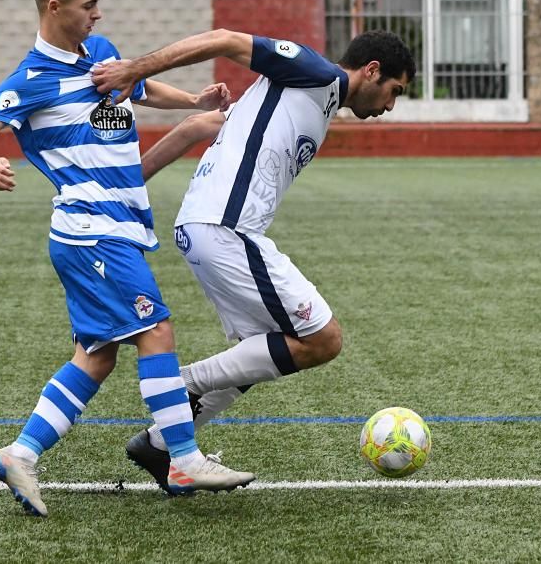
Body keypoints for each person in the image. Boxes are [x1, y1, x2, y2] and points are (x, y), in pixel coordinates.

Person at [0, 0, 254, 517]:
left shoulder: (101, 53)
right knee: (156, 329)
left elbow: (141, 90)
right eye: (88, 5)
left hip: (113, 231)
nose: (98, 13)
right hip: (91, 233)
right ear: (55, 6)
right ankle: (183, 456)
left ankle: (20, 453)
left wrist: (193, 103)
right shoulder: (32, 81)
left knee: (96, 358)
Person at [92, 28, 415, 492]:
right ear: (372, 71)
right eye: (394, 91)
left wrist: (123, 187)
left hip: (207, 229)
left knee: (260, 352)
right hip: (224, 228)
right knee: (323, 339)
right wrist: (135, 68)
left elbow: (199, 129)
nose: (389, 106)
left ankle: (161, 445)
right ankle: (178, 385)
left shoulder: (306, 102)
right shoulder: (314, 72)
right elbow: (225, 38)